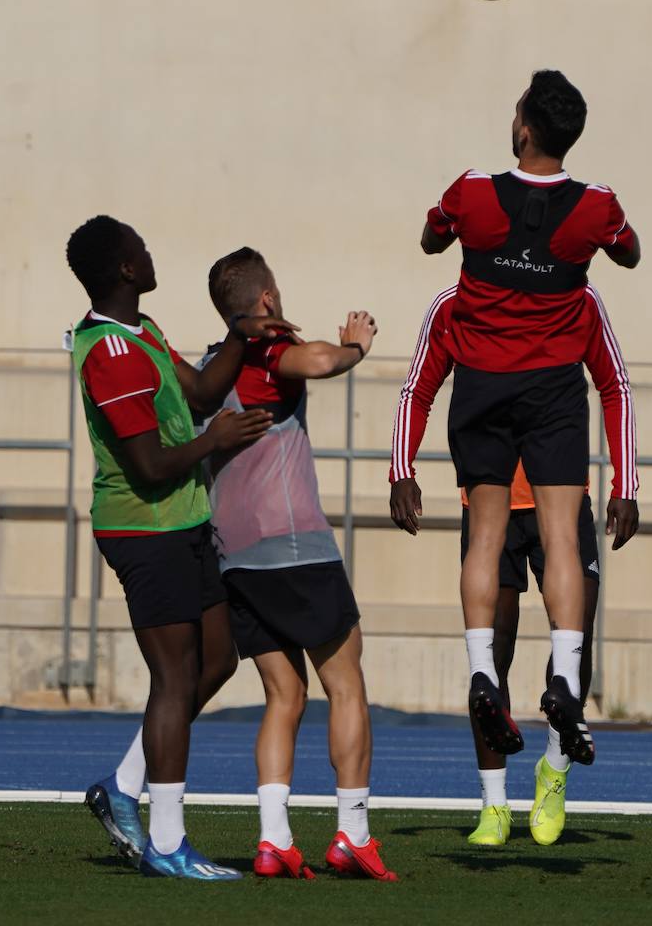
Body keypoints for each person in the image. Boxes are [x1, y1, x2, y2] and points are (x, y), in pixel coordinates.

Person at [419, 69, 641, 768]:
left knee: (484, 537)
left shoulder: (473, 191)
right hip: (551, 387)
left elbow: (430, 238)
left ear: (522, 128)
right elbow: (630, 252)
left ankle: (484, 671)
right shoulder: (596, 204)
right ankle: (567, 682)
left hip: (483, 383)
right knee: (563, 544)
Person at [67, 216, 292, 881]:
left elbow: (201, 391)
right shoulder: (108, 351)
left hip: (184, 521)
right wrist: (215, 441)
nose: (148, 249)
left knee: (216, 659)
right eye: (139, 245)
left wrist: (242, 335)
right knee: (173, 676)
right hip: (143, 526)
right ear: (125, 269)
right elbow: (149, 464)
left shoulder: (146, 331)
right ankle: (166, 840)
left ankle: (124, 785)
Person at [388, 282, 638, 846]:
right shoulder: (454, 304)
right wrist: (401, 468)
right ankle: (495, 803)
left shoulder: (572, 298)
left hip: (562, 504)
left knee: (574, 645)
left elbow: (614, 385)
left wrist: (628, 480)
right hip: (490, 507)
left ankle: (553, 773)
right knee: (490, 654)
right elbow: (417, 389)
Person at [201, 247, 396, 883]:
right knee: (347, 683)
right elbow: (311, 360)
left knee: (283, 694)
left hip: (234, 556)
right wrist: (355, 347)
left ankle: (274, 840)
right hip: (293, 548)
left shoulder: (209, 364)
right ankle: (353, 834)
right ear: (264, 301)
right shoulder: (265, 352)